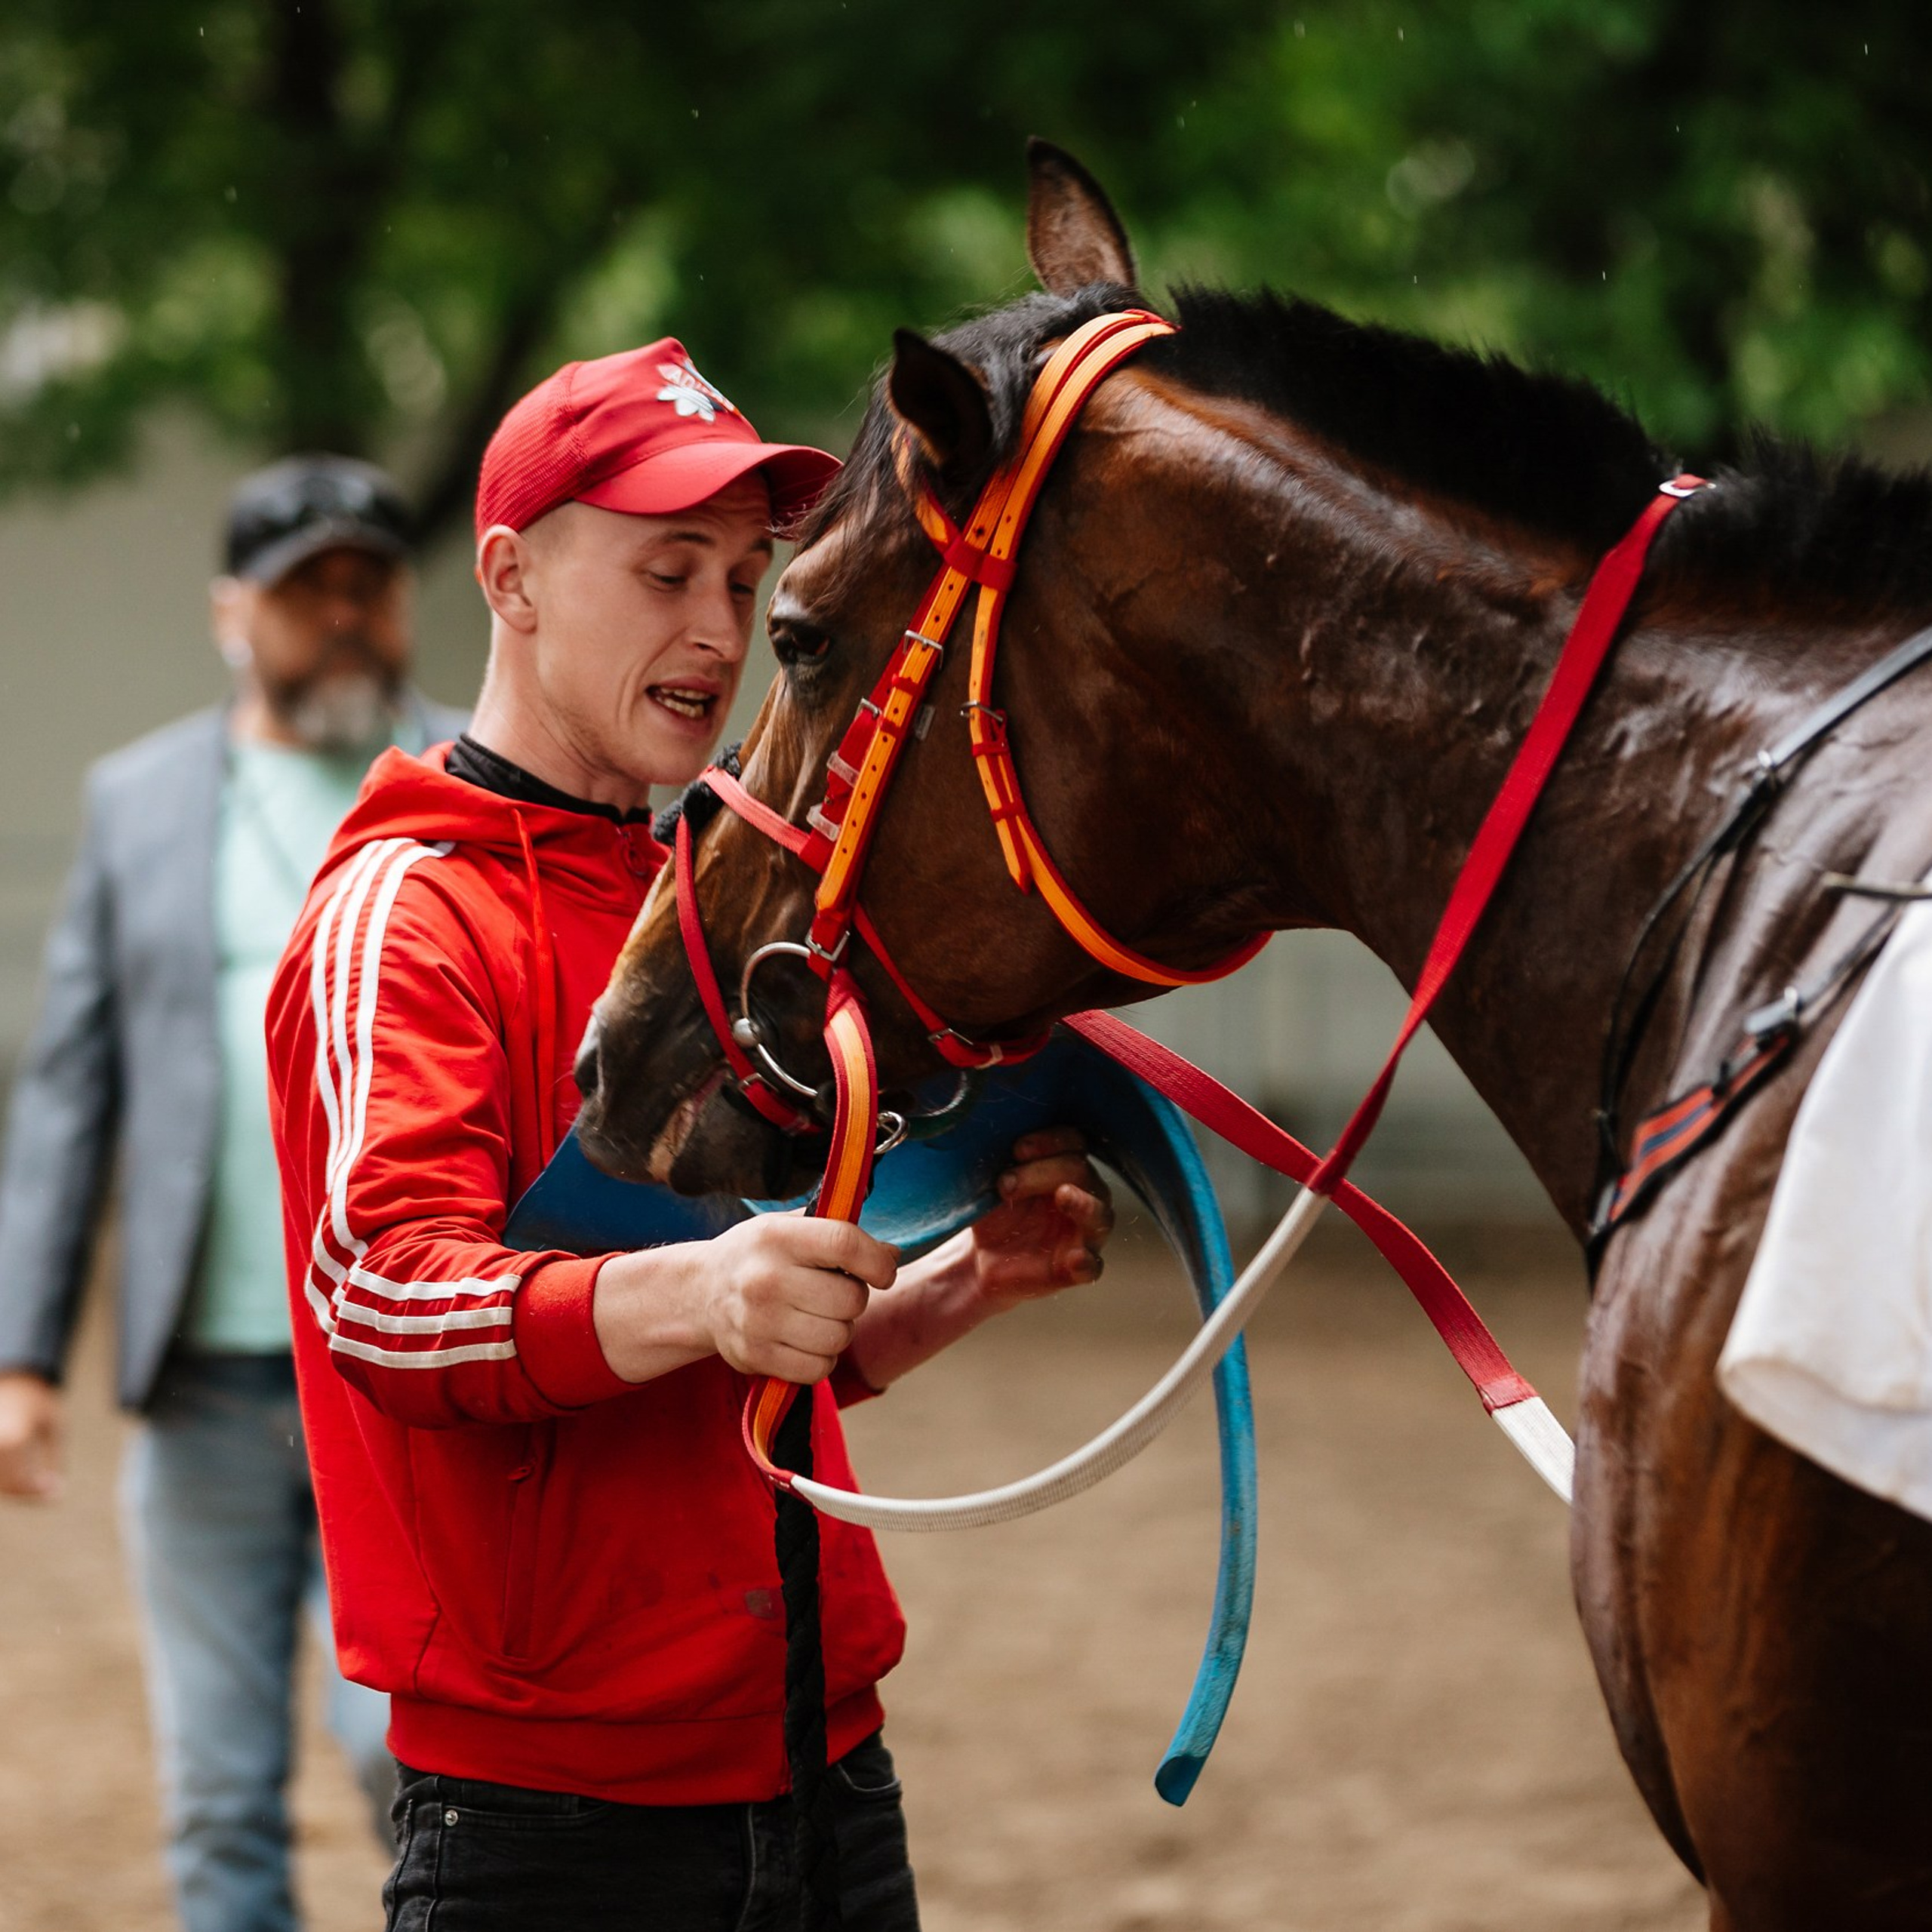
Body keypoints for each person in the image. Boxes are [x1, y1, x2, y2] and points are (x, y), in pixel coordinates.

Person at [263, 342, 1114, 1931]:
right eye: (666, 571)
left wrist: (955, 1283)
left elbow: (724, 1358)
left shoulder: (706, 918)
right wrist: (707, 1292)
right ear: (508, 575)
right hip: (547, 1829)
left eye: (741, 575)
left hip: (827, 1767)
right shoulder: (403, 912)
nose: (720, 628)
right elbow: (381, 1295)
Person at [0, 455, 467, 1932]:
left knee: (401, 1757)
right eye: (301, 589)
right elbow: (72, 1085)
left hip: (415, 1379)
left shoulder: (474, 781)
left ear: (404, 600)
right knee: (214, 1795)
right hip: (199, 1385)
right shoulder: (139, 800)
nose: (339, 615)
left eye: (366, 583)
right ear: (229, 612)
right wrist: (21, 1353)